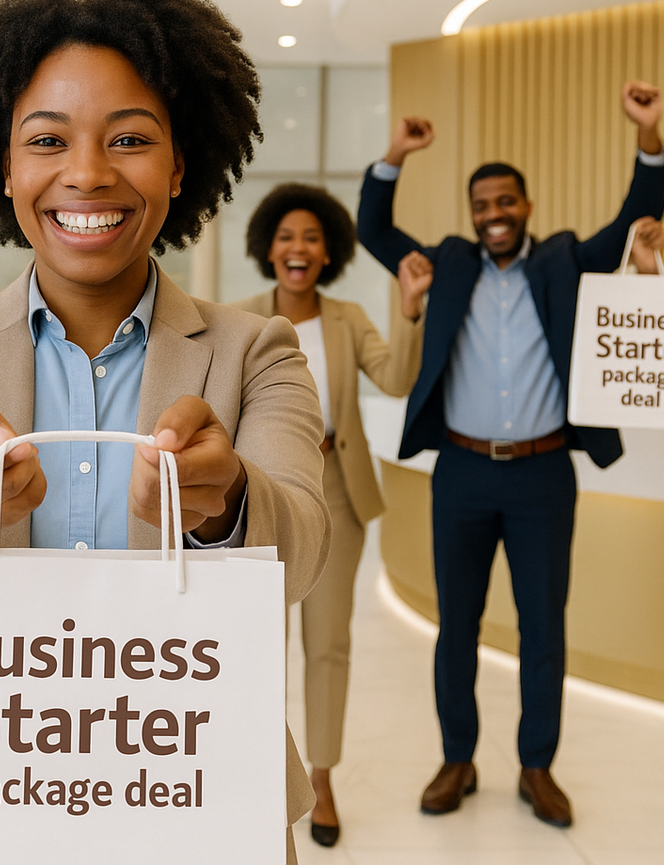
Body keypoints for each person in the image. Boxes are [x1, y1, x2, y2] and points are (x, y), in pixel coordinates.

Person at [0, 0, 331, 863]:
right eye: (48, 140)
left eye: (129, 139)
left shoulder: (258, 352)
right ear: (5, 163)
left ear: (179, 166)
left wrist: (225, 502)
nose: (88, 175)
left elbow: (302, 557)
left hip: (189, 775)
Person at [355, 83, 664, 829]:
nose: (492, 215)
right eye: (480, 206)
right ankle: (456, 757)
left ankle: (536, 765)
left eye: (504, 202)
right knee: (455, 624)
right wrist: (395, 153)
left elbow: (632, 219)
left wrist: (649, 137)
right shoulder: (448, 263)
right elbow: (373, 228)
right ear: (470, 215)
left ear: (524, 205)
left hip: (541, 473)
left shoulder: (562, 260)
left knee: (541, 626)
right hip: (460, 472)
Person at [230, 183, 431, 847]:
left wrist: (409, 310)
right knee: (257, 645)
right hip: (259, 499)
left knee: (327, 644)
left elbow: (397, 379)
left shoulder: (347, 319)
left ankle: (319, 779)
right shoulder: (241, 320)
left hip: (335, 496)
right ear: (268, 248)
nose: (298, 248)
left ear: (328, 253)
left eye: (311, 238)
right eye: (286, 236)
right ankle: (253, 771)